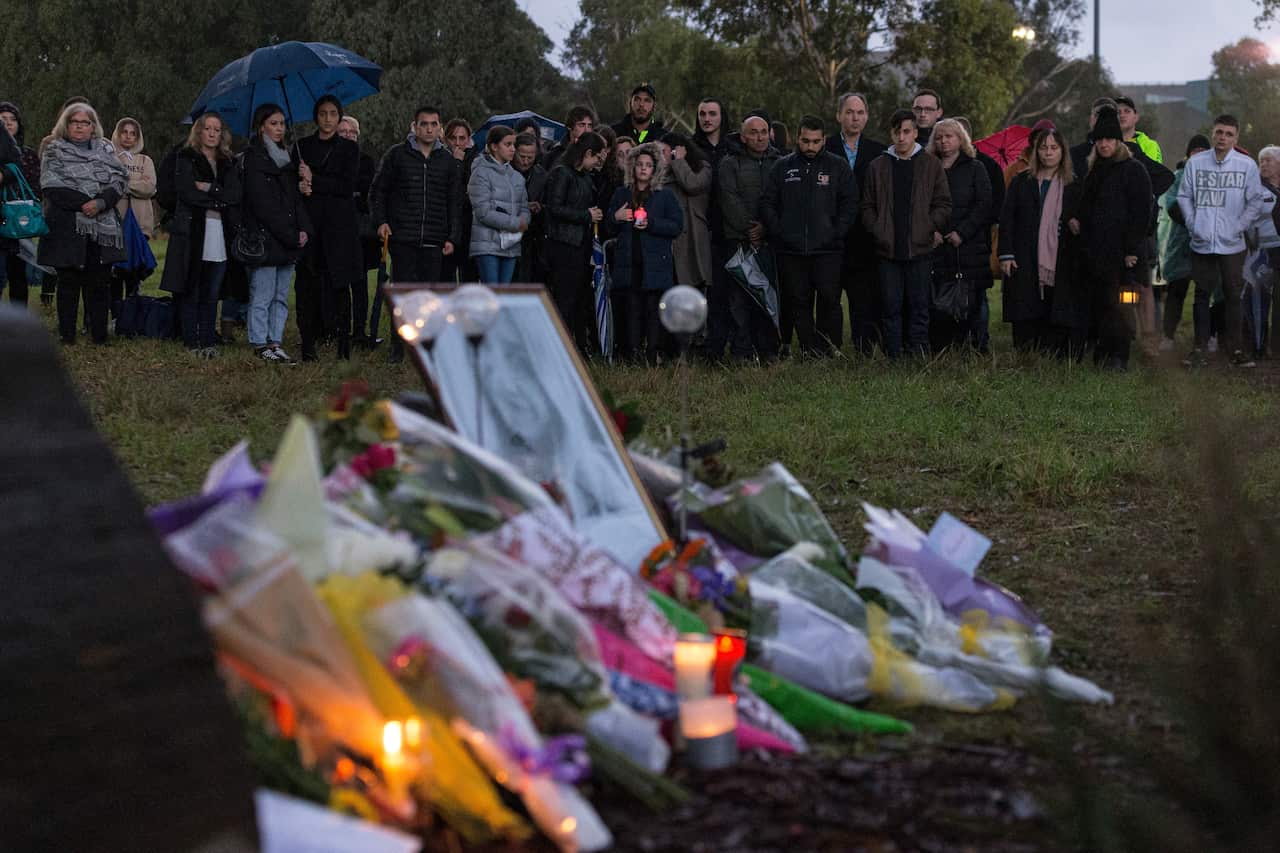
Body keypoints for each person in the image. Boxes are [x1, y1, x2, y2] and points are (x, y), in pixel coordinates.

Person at [370, 105, 463, 363]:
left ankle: (426, 348)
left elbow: (454, 201)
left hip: (435, 238)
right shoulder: (397, 155)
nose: (429, 128)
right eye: (424, 124)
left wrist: (452, 236)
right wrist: (381, 222)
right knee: (403, 295)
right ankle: (398, 347)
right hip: (403, 238)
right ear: (415, 126)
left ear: (440, 127)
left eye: (434, 124)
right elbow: (378, 191)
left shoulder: (447, 161)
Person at [760, 115, 857, 357]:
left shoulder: (838, 166)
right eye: (805, 141)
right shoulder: (782, 167)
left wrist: (837, 232)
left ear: (824, 139)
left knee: (830, 299)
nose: (810, 147)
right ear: (797, 138)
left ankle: (831, 347)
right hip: (791, 251)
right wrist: (780, 232)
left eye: (816, 141)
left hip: (828, 250)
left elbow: (850, 203)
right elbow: (768, 203)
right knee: (798, 301)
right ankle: (807, 349)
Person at [1176, 114, 1268, 369]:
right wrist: (1194, 224)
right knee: (1201, 296)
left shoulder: (1246, 165)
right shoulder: (1196, 163)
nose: (1222, 138)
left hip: (1232, 244)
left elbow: (1256, 201)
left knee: (1232, 296)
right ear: (1212, 133)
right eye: (1219, 132)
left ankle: (1236, 349)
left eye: (1228, 134)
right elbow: (1184, 196)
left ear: (1236, 137)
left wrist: (1238, 227)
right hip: (1202, 241)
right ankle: (1199, 349)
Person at [860, 109, 951, 359]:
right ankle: (894, 355)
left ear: (915, 133)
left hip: (920, 249)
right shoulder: (878, 166)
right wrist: (878, 229)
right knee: (890, 306)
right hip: (888, 250)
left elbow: (943, 203)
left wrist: (927, 226)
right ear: (891, 133)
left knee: (920, 306)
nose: (901, 137)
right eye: (897, 132)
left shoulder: (930, 164)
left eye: (906, 132)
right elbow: (866, 206)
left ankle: (919, 353)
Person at [38, 102, 128, 345]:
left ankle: (99, 335)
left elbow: (118, 182)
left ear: (92, 126)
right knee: (68, 283)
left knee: (99, 283)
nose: (79, 127)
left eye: (85, 122)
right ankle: (67, 335)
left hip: (102, 225)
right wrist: (85, 203)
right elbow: (51, 186)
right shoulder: (54, 150)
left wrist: (100, 203)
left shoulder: (105, 151)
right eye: (74, 122)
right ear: (66, 125)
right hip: (66, 225)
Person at [1071, 106, 1153, 371]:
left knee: (1123, 304)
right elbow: (1087, 208)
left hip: (1124, 256)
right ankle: (1103, 354)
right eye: (1100, 140)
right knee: (1101, 305)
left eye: (1109, 139)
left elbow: (1142, 213)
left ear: (1118, 141)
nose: (1104, 144)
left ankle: (1120, 356)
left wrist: (1131, 249)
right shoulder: (1094, 172)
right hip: (1097, 254)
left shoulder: (1134, 170)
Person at [158, 112, 239, 358]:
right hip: (192, 232)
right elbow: (186, 193)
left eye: (217, 129)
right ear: (199, 131)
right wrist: (217, 197)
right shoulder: (185, 157)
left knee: (212, 290)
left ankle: (208, 339)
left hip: (220, 234)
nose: (213, 133)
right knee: (191, 287)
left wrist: (210, 187)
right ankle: (191, 341)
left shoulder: (228, 161)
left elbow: (233, 195)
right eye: (208, 128)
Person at [999, 127, 1084, 356]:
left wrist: (1075, 221)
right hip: (1024, 254)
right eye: (1043, 148)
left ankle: (1054, 353)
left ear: (1062, 152)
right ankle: (1027, 353)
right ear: (1036, 151)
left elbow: (1080, 219)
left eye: (1054, 148)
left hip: (1060, 256)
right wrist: (1006, 254)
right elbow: (1007, 219)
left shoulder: (1073, 186)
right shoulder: (1021, 182)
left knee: (1056, 304)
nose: (1048, 153)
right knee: (1026, 303)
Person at [241, 102, 313, 363]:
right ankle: (260, 343)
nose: (280, 128)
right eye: (273, 123)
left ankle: (275, 341)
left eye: (282, 123)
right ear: (262, 128)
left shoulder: (287, 159)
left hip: (289, 240)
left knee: (281, 296)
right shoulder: (254, 159)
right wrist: (290, 234)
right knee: (263, 293)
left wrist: (304, 228)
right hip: (267, 238)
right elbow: (264, 206)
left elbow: (295, 199)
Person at [294, 94, 361, 361]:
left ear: (339, 116)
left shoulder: (348, 149)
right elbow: (293, 185)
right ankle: (308, 345)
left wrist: (315, 180)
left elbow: (346, 187)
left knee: (340, 287)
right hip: (311, 227)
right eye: (323, 114)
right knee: (307, 287)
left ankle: (343, 345)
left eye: (333, 114)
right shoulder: (302, 147)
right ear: (316, 117)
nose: (328, 119)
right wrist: (300, 185)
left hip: (339, 228)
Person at [607, 142, 684, 363]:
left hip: (655, 265)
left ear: (655, 169)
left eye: (648, 165)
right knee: (631, 310)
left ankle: (654, 353)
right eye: (639, 164)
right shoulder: (621, 193)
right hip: (628, 264)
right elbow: (608, 228)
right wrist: (616, 217)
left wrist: (651, 224)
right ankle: (631, 354)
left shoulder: (664, 196)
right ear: (632, 167)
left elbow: (677, 226)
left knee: (653, 311)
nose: (643, 169)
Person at [826, 92, 888, 354]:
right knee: (829, 298)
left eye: (860, 112)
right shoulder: (825, 147)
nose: (855, 117)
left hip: (865, 237)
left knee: (863, 297)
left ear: (867, 116)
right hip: (831, 235)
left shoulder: (879, 152)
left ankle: (865, 349)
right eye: (849, 112)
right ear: (839, 115)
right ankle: (830, 347)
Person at [718, 114, 783, 361]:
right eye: (754, 132)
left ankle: (769, 350)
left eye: (764, 131)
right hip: (739, 242)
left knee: (768, 297)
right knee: (739, 301)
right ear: (743, 136)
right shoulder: (729, 163)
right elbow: (729, 199)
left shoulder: (779, 161)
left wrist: (766, 228)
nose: (759, 137)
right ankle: (741, 353)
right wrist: (750, 229)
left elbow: (781, 199)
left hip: (769, 241)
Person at [925, 118, 992, 352]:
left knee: (973, 301)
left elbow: (984, 204)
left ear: (960, 139)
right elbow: (922, 204)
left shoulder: (976, 168)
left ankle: (977, 348)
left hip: (969, 248)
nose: (944, 141)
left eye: (949, 136)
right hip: (937, 248)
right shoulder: (928, 168)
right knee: (940, 300)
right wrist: (931, 230)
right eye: (939, 137)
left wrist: (962, 233)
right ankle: (944, 349)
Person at [542, 130, 605, 350]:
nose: (598, 163)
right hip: (563, 246)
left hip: (581, 246)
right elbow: (555, 208)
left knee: (578, 299)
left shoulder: (587, 178)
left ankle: (578, 346)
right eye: (597, 158)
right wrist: (586, 215)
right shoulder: (561, 173)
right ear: (588, 153)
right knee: (564, 299)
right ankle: (560, 346)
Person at [1158, 134, 1209, 355]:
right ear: (1188, 154)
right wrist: (1194, 221)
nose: (1198, 155)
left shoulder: (1214, 175)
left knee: (1206, 293)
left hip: (1208, 243)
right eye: (1194, 151)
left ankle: (1207, 338)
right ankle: (1168, 336)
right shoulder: (1178, 176)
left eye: (1202, 151)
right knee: (1176, 291)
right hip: (1181, 244)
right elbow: (1172, 204)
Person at [108, 117, 158, 324]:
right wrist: (135, 183)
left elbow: (150, 187)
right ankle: (115, 316)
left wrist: (126, 184)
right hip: (114, 225)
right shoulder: (109, 157)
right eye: (124, 132)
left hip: (139, 226)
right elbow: (109, 182)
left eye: (132, 133)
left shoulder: (145, 161)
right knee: (114, 274)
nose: (128, 137)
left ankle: (131, 318)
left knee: (134, 274)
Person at [468, 125, 530, 285]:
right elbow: (483, 211)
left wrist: (524, 221)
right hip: (487, 244)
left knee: (504, 295)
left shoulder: (517, 177)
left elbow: (524, 207)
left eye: (513, 145)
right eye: (507, 144)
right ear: (494, 147)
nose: (512, 149)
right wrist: (516, 223)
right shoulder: (480, 173)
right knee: (492, 294)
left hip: (511, 244)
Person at [338, 114, 378, 346]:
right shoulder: (330, 158)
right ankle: (338, 326)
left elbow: (366, 187)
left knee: (360, 283)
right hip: (338, 229)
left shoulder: (366, 160)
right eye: (343, 132)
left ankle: (359, 329)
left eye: (351, 132)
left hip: (360, 232)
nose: (347, 136)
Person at [660, 132, 713, 293]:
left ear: (677, 151)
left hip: (694, 241)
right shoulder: (661, 177)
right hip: (671, 246)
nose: (659, 156)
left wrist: (680, 161)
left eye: (664, 151)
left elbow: (692, 184)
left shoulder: (703, 167)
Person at [0, 101, 41, 306]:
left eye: (12, 120)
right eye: (2, 119)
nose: (7, 123)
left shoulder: (28, 155)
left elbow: (35, 186)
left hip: (19, 220)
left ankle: (18, 322)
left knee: (18, 273)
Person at [442, 118, 478, 285]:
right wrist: (456, 163)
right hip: (445, 226)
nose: (457, 143)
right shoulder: (440, 158)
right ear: (446, 139)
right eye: (453, 138)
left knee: (468, 277)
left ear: (469, 138)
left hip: (469, 225)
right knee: (446, 276)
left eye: (462, 138)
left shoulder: (477, 159)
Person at [513, 131, 549, 283]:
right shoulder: (504, 172)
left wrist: (540, 208)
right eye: (522, 156)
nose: (526, 161)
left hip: (533, 239)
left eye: (530, 157)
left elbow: (550, 204)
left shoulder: (541, 175)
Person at [1114, 95, 1162, 163]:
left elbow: (1152, 172)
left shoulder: (1150, 145)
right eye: (1118, 112)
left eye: (1127, 111)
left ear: (1136, 117)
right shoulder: (1106, 144)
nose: (1122, 115)